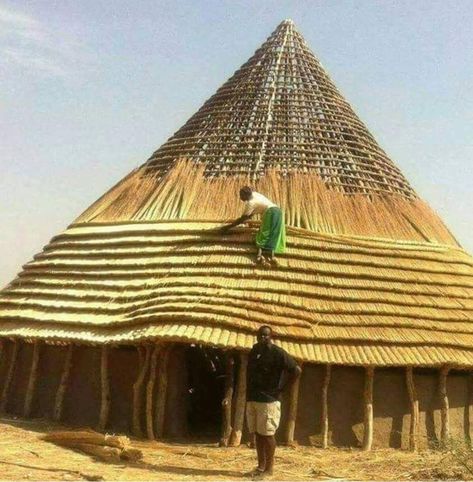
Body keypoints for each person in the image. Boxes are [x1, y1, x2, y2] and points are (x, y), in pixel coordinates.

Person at [246, 325, 301, 479]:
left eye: (266, 335)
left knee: (268, 434)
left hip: (269, 400)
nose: (263, 338)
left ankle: (269, 470)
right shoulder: (254, 351)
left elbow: (296, 370)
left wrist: (282, 389)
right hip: (253, 398)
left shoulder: (277, 353)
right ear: (257, 336)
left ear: (271, 336)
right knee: (258, 434)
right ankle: (260, 466)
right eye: (261, 335)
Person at [219, 187, 286, 266]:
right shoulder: (255, 194)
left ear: (246, 195)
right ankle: (272, 255)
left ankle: (260, 255)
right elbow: (251, 214)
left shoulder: (250, 203)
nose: (240, 198)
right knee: (274, 234)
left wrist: (228, 227)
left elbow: (243, 219)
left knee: (263, 234)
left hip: (270, 213)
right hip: (278, 211)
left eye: (241, 195)